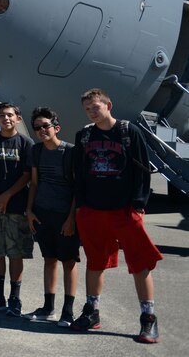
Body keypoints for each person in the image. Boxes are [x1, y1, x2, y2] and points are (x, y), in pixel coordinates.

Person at [70, 88, 162, 343]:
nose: (91, 111)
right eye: (87, 108)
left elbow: (143, 171)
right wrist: (81, 208)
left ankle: (148, 318)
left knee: (140, 264)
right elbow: (79, 173)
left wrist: (138, 205)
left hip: (124, 210)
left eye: (95, 107)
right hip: (93, 211)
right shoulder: (84, 135)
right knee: (95, 262)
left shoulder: (128, 132)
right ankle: (92, 312)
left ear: (108, 105)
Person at [23, 107, 79, 326]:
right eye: (37, 127)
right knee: (49, 260)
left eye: (45, 126)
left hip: (65, 214)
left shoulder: (70, 152)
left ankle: (68, 311)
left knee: (69, 261)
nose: (41, 130)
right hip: (42, 212)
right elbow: (35, 183)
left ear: (56, 127)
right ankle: (48, 308)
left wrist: (71, 218)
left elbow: (77, 188)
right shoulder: (36, 151)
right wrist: (29, 210)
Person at [0, 103, 34, 317]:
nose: (6, 118)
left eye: (10, 115)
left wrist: (7, 195)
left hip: (16, 206)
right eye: (1, 115)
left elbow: (27, 175)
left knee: (16, 252)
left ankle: (15, 299)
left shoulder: (25, 143)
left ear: (18, 118)